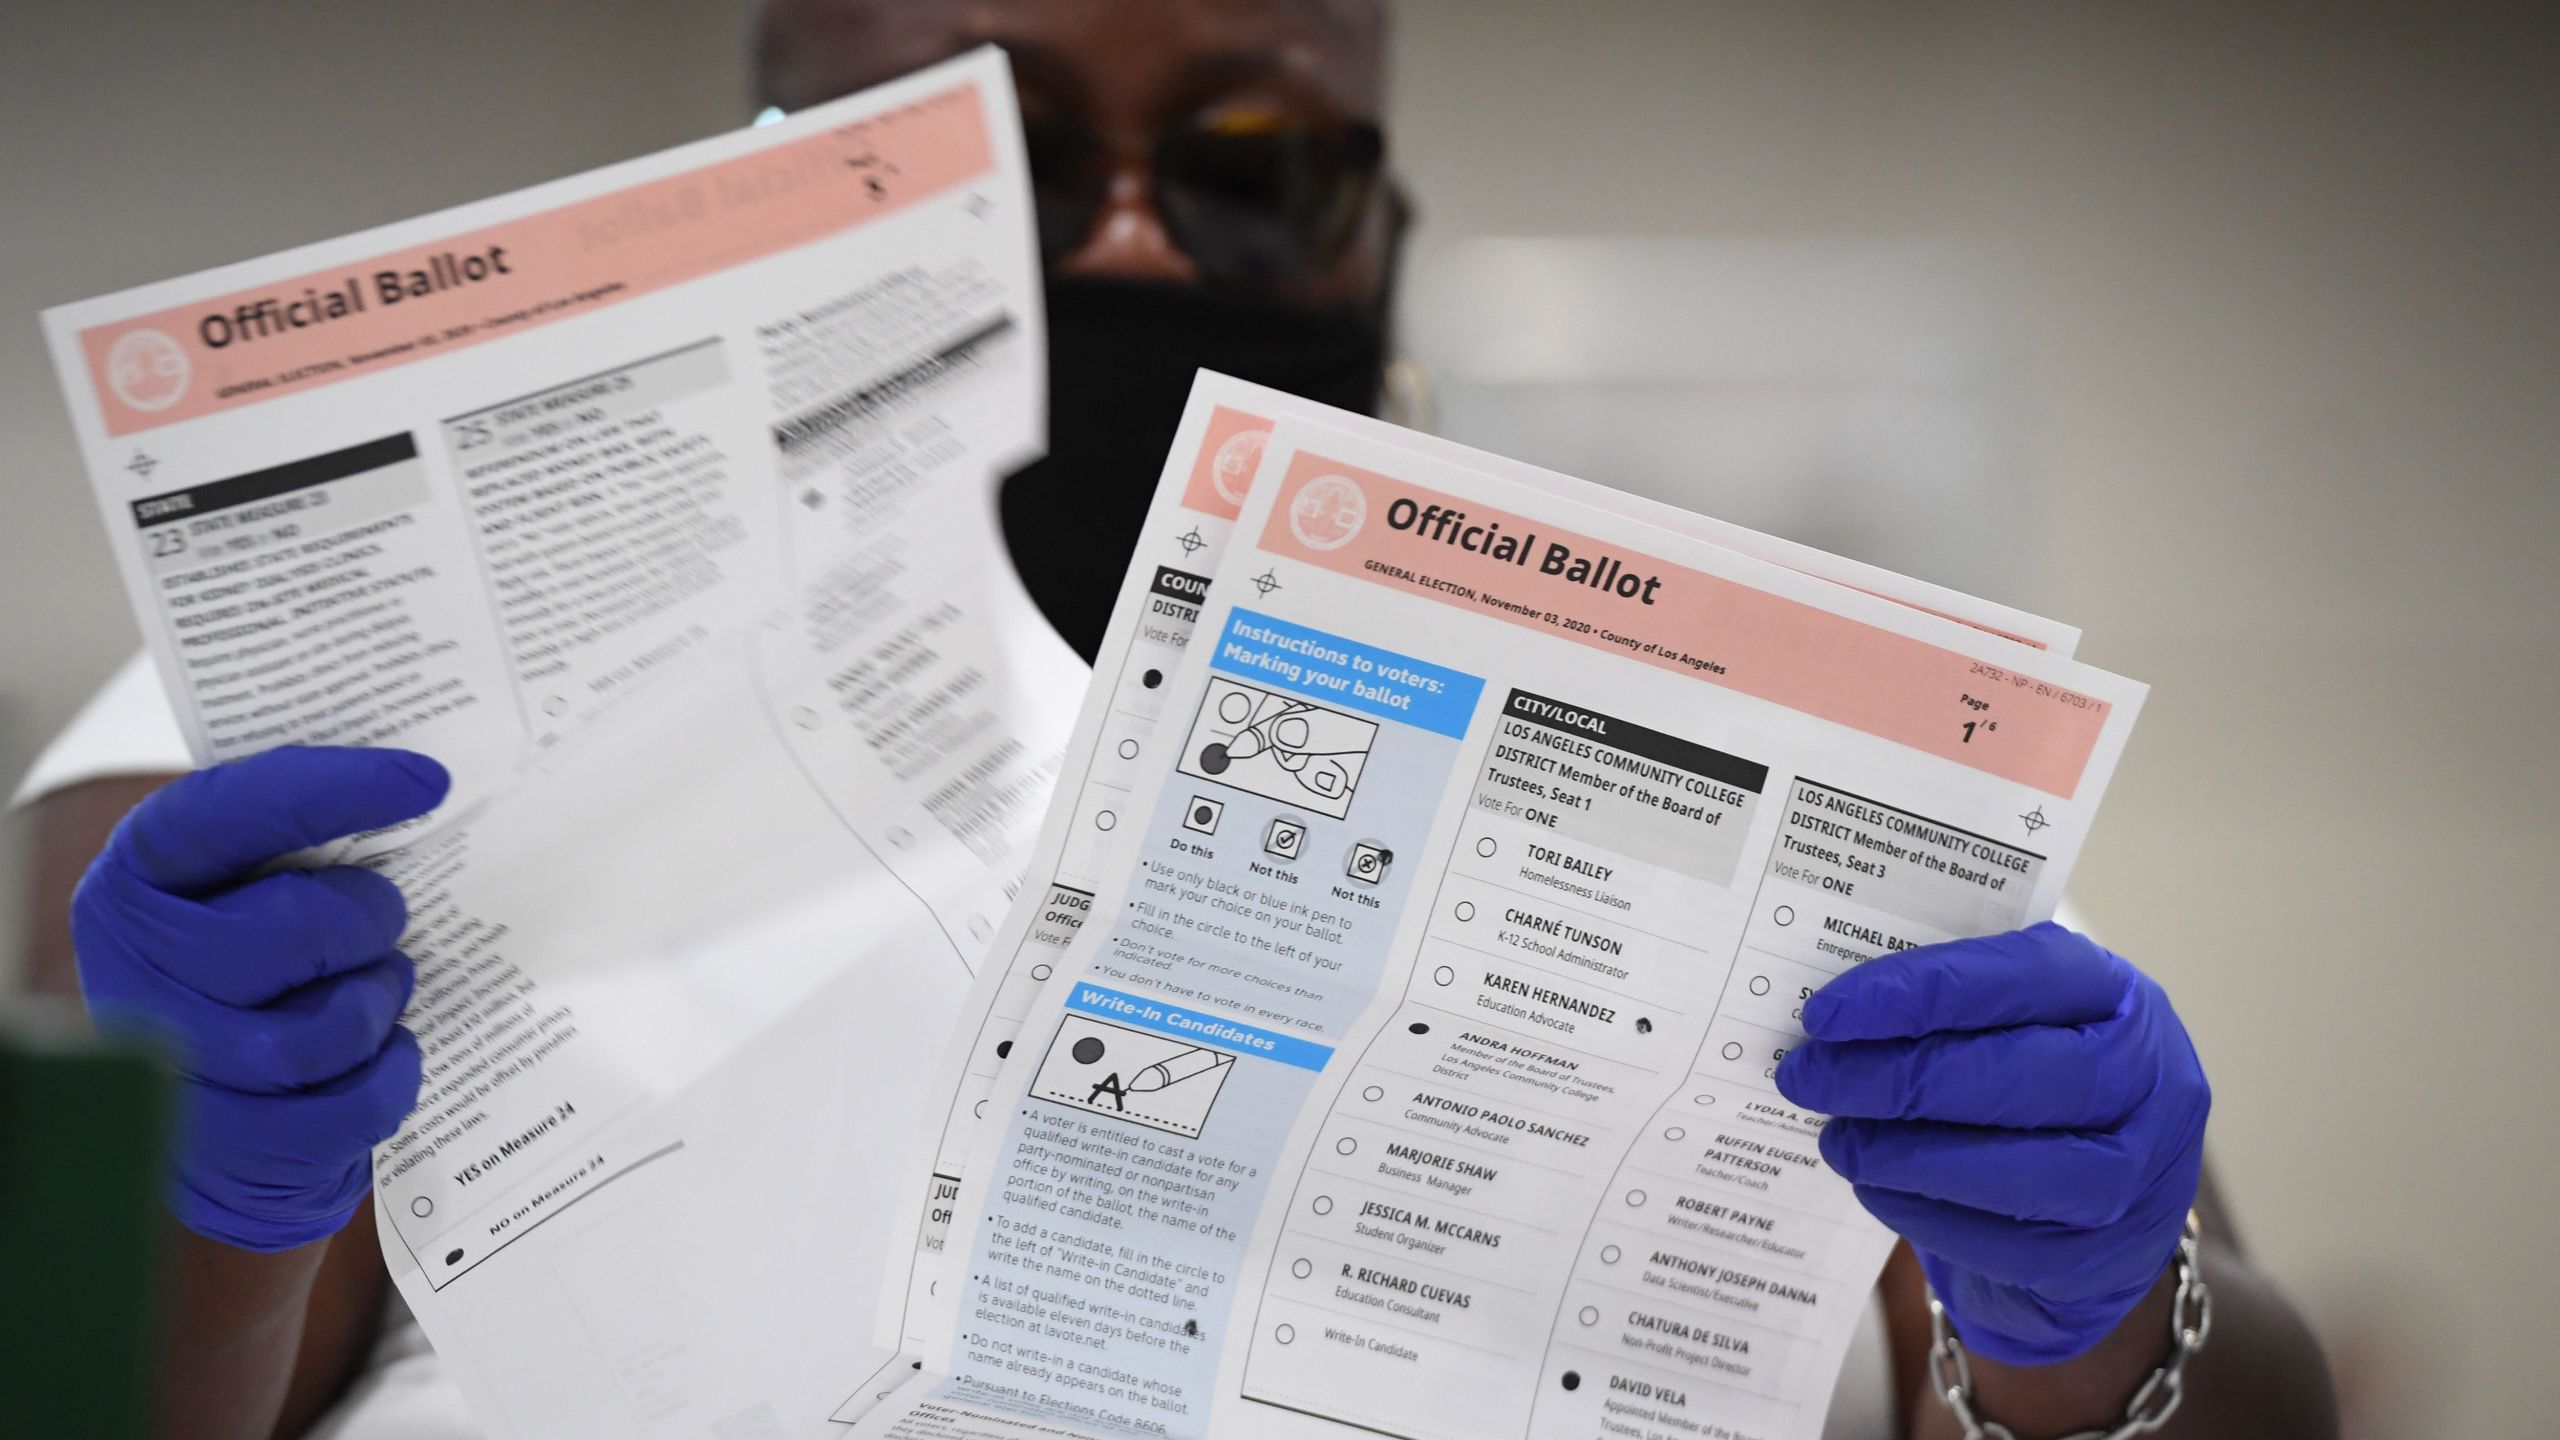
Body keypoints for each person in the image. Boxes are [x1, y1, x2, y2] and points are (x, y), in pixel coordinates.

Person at [21, 3, 2339, 1438]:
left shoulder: (1725, 714)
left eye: (1250, 164)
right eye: (997, 148)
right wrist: (182, 1195)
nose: (1129, 240)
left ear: (1380, 219)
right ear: (762, 172)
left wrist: (2087, 1316)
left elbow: (2243, 1403)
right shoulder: (278, 739)